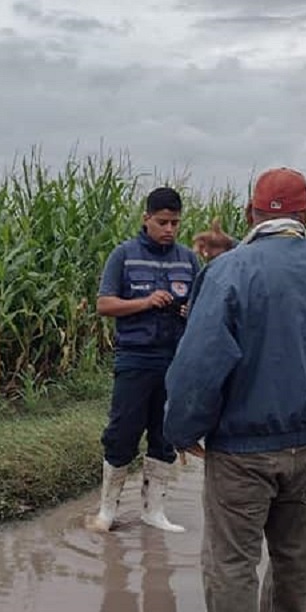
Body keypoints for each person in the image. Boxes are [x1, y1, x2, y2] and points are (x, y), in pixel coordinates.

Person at [163, 167, 306, 612]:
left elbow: (201, 362)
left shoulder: (229, 269)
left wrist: (180, 429)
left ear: (250, 213)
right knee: (294, 553)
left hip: (245, 443)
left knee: (232, 560)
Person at [88, 186, 201, 534]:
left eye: (175, 223)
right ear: (146, 219)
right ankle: (107, 511)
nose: (169, 229)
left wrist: (188, 310)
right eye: (162, 222)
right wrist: (146, 302)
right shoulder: (124, 255)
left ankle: (154, 511)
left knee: (165, 433)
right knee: (122, 432)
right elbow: (104, 305)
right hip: (135, 358)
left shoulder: (188, 259)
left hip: (174, 360)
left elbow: (202, 306)